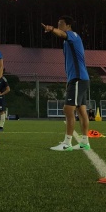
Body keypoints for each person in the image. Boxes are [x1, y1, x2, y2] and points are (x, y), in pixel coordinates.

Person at [41, 16, 91, 151]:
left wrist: (51, 29)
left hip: (78, 79)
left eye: (60, 23)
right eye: (57, 23)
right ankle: (85, 143)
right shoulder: (68, 41)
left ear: (68, 25)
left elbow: (61, 33)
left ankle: (67, 143)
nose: (58, 25)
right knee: (81, 110)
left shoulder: (72, 35)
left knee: (68, 109)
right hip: (79, 79)